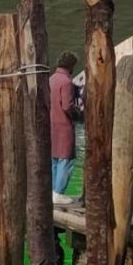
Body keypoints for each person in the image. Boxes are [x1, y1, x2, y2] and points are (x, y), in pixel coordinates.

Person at [49, 51, 79, 202]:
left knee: (54, 159)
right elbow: (67, 106)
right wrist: (79, 114)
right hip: (64, 125)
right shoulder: (66, 82)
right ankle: (59, 192)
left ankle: (53, 191)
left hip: (51, 125)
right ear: (71, 66)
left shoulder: (51, 79)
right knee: (66, 159)